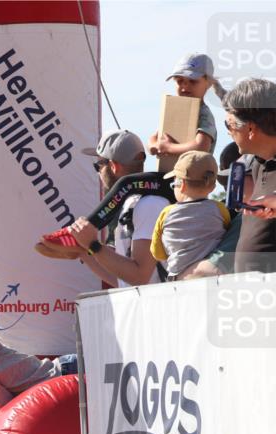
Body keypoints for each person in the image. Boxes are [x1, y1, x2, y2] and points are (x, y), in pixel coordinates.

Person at [62, 130, 171, 287]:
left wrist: (93, 245)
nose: (98, 172)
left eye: (98, 166)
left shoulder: (149, 204)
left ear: (113, 166)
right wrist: (84, 251)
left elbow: (140, 276)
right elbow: (124, 280)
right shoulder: (133, 203)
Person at [150, 151, 231, 280]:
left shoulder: (166, 213)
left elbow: (157, 253)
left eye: (173, 184)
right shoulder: (219, 209)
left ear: (181, 185)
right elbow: (227, 233)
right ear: (213, 187)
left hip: (178, 277)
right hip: (212, 274)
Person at [223, 78, 276, 273]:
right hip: (255, 295)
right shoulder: (255, 162)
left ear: (250, 129)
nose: (228, 132)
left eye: (229, 125)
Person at [148, 53, 225, 159]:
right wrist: (154, 146)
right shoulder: (173, 110)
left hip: (194, 173)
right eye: (180, 81)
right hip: (169, 172)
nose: (184, 87)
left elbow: (202, 146)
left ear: (208, 83)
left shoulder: (203, 114)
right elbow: (154, 138)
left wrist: (169, 147)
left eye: (193, 81)